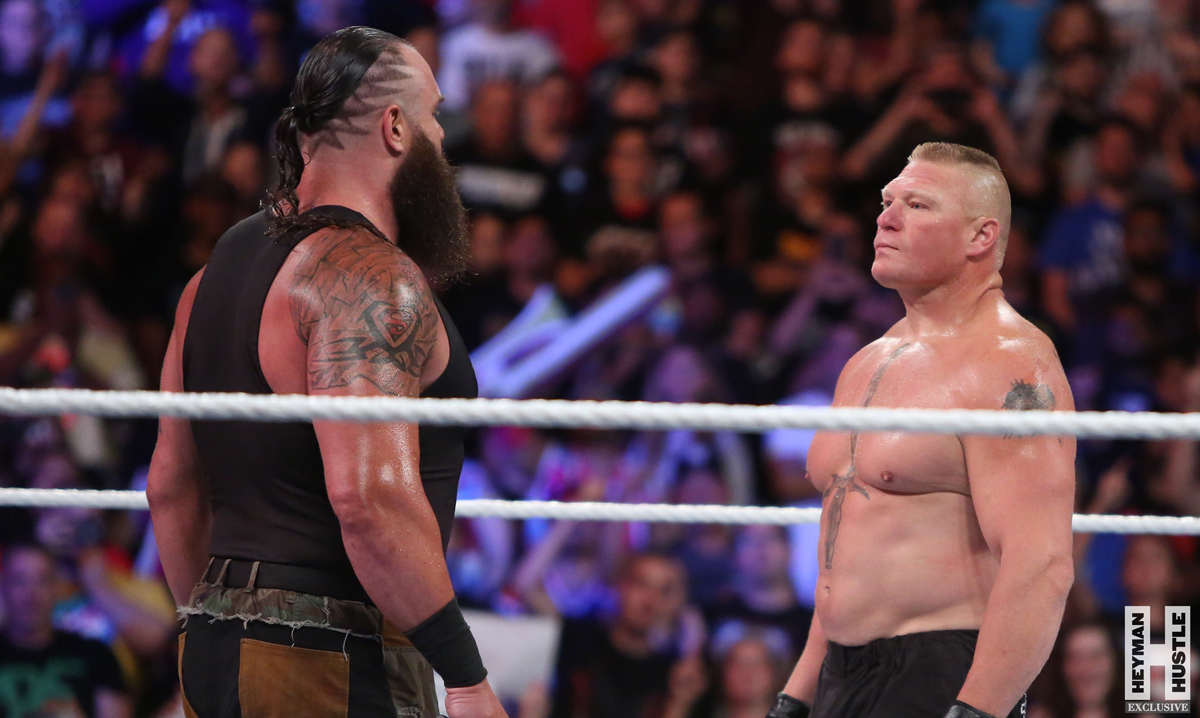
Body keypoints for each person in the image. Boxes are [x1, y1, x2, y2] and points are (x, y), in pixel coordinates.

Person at [146, 26, 507, 718]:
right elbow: (370, 502)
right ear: (395, 127)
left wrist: (213, 624)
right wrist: (466, 679)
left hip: (215, 644)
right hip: (335, 649)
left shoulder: (211, 276)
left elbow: (171, 487)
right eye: (433, 117)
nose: (441, 141)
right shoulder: (366, 275)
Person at [771, 142, 1076, 718]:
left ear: (980, 236)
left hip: (943, 674)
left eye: (917, 205)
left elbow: (1041, 566)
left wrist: (977, 711)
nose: (886, 219)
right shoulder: (865, 362)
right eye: (887, 202)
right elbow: (844, 549)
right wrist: (796, 696)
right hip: (840, 676)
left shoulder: (1010, 363)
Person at [0, 543, 131, 718]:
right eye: (20, 581)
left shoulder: (94, 653)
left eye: (42, 581)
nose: (31, 595)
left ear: (57, 588)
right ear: (4, 587)